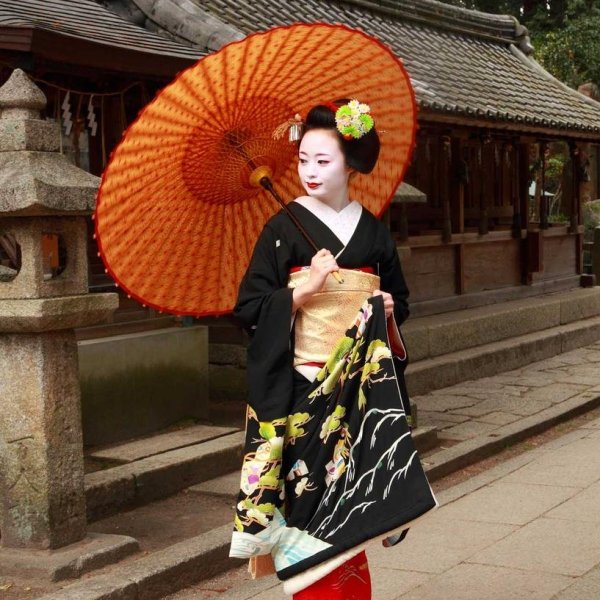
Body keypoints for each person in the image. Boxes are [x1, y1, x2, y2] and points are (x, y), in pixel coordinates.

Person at [229, 99, 437, 599]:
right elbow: (250, 308)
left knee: (355, 506)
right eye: (303, 159)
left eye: (323, 161)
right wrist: (304, 289)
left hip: (361, 393)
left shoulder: (374, 231)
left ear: (350, 163)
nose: (309, 171)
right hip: (305, 392)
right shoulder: (282, 229)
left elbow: (401, 302)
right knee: (311, 505)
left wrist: (387, 310)